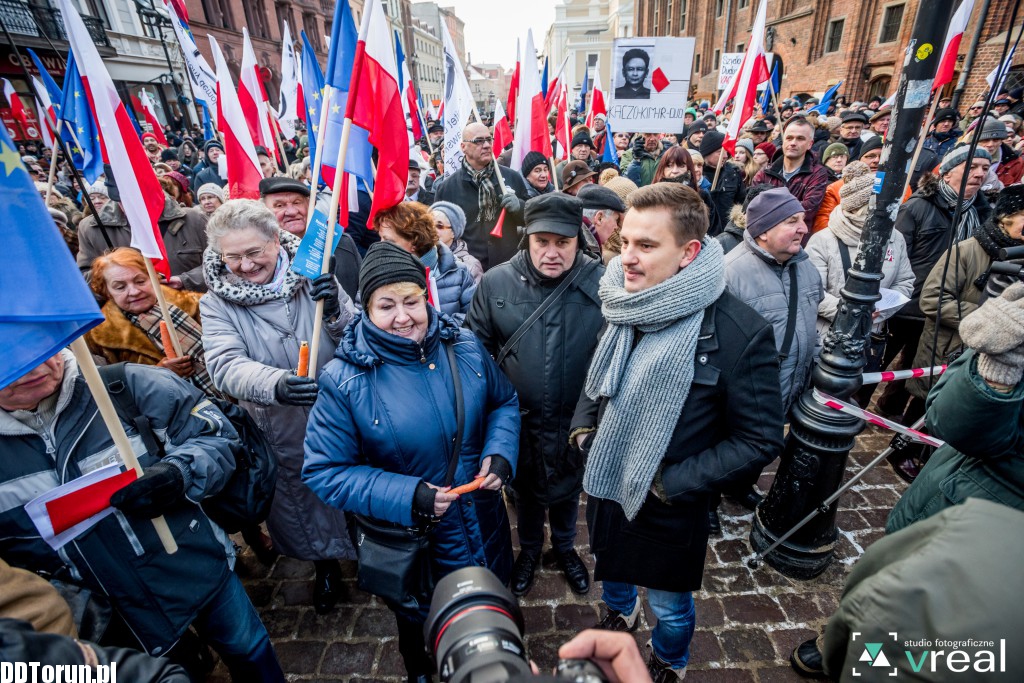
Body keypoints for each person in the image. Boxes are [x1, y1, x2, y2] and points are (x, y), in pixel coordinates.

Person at [571, 183, 784, 682]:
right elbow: (600, 375)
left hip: (671, 505)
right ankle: (621, 612)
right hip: (609, 484)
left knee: (670, 607)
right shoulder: (622, 304)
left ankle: (669, 658)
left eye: (646, 246)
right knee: (614, 574)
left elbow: (759, 439)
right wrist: (583, 426)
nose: (627, 258)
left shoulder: (738, 330)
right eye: (624, 242)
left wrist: (671, 483)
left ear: (689, 252)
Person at [302, 241, 520, 680]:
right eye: (386, 305)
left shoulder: (465, 346)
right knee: (424, 634)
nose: (403, 316)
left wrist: (500, 453)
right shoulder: (344, 380)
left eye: (411, 301)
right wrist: (408, 495)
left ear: (426, 297)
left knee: (496, 622)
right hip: (418, 547)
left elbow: (504, 402)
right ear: (366, 309)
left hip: (485, 527)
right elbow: (324, 471)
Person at [0, 351, 285, 680]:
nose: (29, 366)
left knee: (249, 649)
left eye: (35, 346)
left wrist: (180, 473)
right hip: (108, 618)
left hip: (196, 568)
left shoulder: (128, 385)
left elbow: (219, 436)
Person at [199, 199, 357, 616]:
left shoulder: (312, 271)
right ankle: (326, 565)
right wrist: (276, 384)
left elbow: (357, 336)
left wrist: (338, 309)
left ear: (275, 240)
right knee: (305, 501)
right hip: (280, 422)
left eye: (254, 253)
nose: (246, 266)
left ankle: (369, 556)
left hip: (340, 409)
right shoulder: (216, 303)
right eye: (233, 257)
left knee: (355, 484)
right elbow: (224, 365)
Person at [466, 193, 604, 598]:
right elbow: (476, 351)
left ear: (577, 240)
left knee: (567, 491)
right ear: (528, 238)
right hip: (520, 422)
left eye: (563, 242)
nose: (552, 252)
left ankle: (564, 548)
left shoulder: (601, 281)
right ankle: (528, 549)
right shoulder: (495, 283)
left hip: (575, 418)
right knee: (525, 493)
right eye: (542, 241)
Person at [877, 146, 993, 424]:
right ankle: (860, 406)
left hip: (947, 304)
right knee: (884, 362)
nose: (979, 174)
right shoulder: (917, 206)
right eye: (971, 167)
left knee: (918, 364)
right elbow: (894, 255)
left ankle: (893, 407)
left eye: (984, 168)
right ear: (948, 171)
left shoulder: (981, 211)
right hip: (911, 303)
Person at [907, 184, 1024, 419]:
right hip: (947, 348)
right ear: (1007, 218)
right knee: (926, 410)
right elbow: (932, 299)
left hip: (990, 359)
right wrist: (991, 319)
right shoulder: (966, 251)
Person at [805, 162, 914, 406]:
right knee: (820, 405)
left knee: (855, 405)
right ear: (858, 208)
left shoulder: (894, 239)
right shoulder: (823, 241)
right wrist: (856, 313)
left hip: (873, 339)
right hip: (828, 341)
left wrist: (883, 309)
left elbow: (905, 281)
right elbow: (813, 292)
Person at [725, 186, 822, 415]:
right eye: (791, 221)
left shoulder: (806, 268)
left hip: (793, 393)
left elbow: (811, 324)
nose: (804, 228)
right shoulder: (729, 273)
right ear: (763, 231)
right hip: (749, 402)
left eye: (802, 219)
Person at [84, 247, 219, 395]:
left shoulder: (200, 304)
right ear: (107, 292)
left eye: (140, 281)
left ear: (153, 278)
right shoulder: (98, 337)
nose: (134, 291)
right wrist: (157, 374)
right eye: (120, 287)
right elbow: (110, 390)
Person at [77, 171, 210, 292]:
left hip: (193, 309)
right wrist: (116, 277)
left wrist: (186, 280)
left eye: (143, 198)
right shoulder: (92, 228)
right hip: (129, 316)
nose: (136, 207)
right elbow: (85, 279)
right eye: (127, 201)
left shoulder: (194, 219)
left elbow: (224, 258)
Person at [433, 122, 530, 270]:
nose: (486, 145)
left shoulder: (512, 178)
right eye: (479, 141)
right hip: (469, 271)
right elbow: (437, 232)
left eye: (489, 139)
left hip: (510, 267)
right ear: (463, 147)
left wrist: (520, 207)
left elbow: (532, 219)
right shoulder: (447, 188)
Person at [259, 177, 363, 301]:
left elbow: (362, 295)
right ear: (264, 212)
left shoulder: (341, 243)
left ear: (311, 205)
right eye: (279, 205)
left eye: (297, 202)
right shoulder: (260, 256)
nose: (291, 211)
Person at [374, 201, 476, 320]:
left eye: (388, 241)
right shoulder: (376, 272)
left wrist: (443, 332)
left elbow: (472, 319)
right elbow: (363, 320)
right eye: (380, 238)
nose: (380, 246)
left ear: (414, 241)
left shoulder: (459, 272)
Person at [751, 117, 831, 229]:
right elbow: (753, 203)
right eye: (789, 138)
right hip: (765, 235)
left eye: (800, 139)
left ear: (810, 144)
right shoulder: (766, 172)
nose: (793, 143)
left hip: (795, 238)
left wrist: (769, 205)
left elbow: (808, 209)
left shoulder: (817, 174)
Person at [813, 136, 883, 234]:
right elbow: (822, 222)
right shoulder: (835, 188)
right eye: (870, 156)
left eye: (882, 156)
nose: (876, 160)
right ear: (860, 159)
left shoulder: (901, 188)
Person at [701, 131, 745, 236]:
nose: (725, 156)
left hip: (728, 233)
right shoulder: (698, 174)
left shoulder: (733, 173)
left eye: (726, 151)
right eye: (720, 152)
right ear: (707, 153)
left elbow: (742, 202)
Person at [430, 200, 483, 283]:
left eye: (439, 226)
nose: (432, 230)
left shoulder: (471, 265)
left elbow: (473, 295)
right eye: (428, 225)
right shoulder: (417, 257)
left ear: (454, 233)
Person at [578, 183, 627, 263]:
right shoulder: (586, 252)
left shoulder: (580, 242)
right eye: (616, 220)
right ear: (599, 218)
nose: (616, 227)